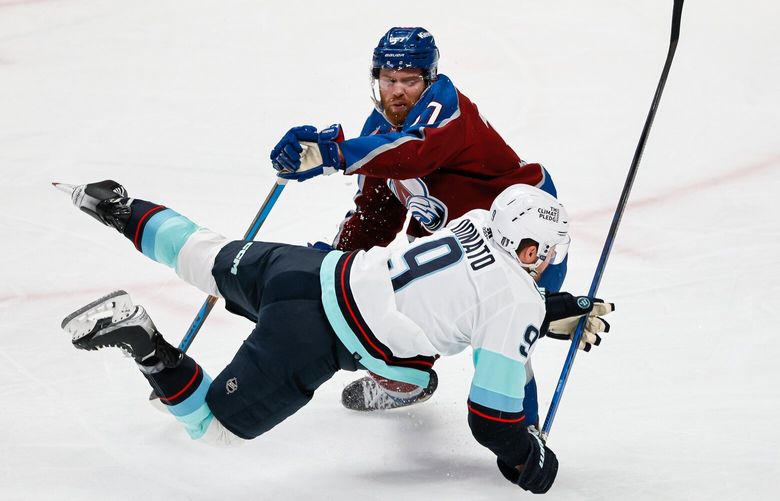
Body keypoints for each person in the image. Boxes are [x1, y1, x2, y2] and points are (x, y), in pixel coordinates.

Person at [59, 180, 612, 494]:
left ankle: (117, 206)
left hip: (308, 269)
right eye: (547, 252)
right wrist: (527, 460)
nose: (547, 262)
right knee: (214, 428)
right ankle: (145, 343)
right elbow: (492, 420)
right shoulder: (516, 300)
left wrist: (546, 312)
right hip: (315, 335)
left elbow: (469, 292)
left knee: (198, 251)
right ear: (531, 249)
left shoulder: (475, 220)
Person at [269, 26, 569, 411]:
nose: (397, 91)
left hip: (524, 238)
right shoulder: (378, 132)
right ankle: (407, 379)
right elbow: (375, 215)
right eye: (389, 79)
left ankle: (523, 433)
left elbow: (414, 153)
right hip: (457, 245)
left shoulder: (448, 107)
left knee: (505, 339)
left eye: (409, 81)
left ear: (428, 79)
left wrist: (335, 155)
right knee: (371, 304)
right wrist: (334, 265)